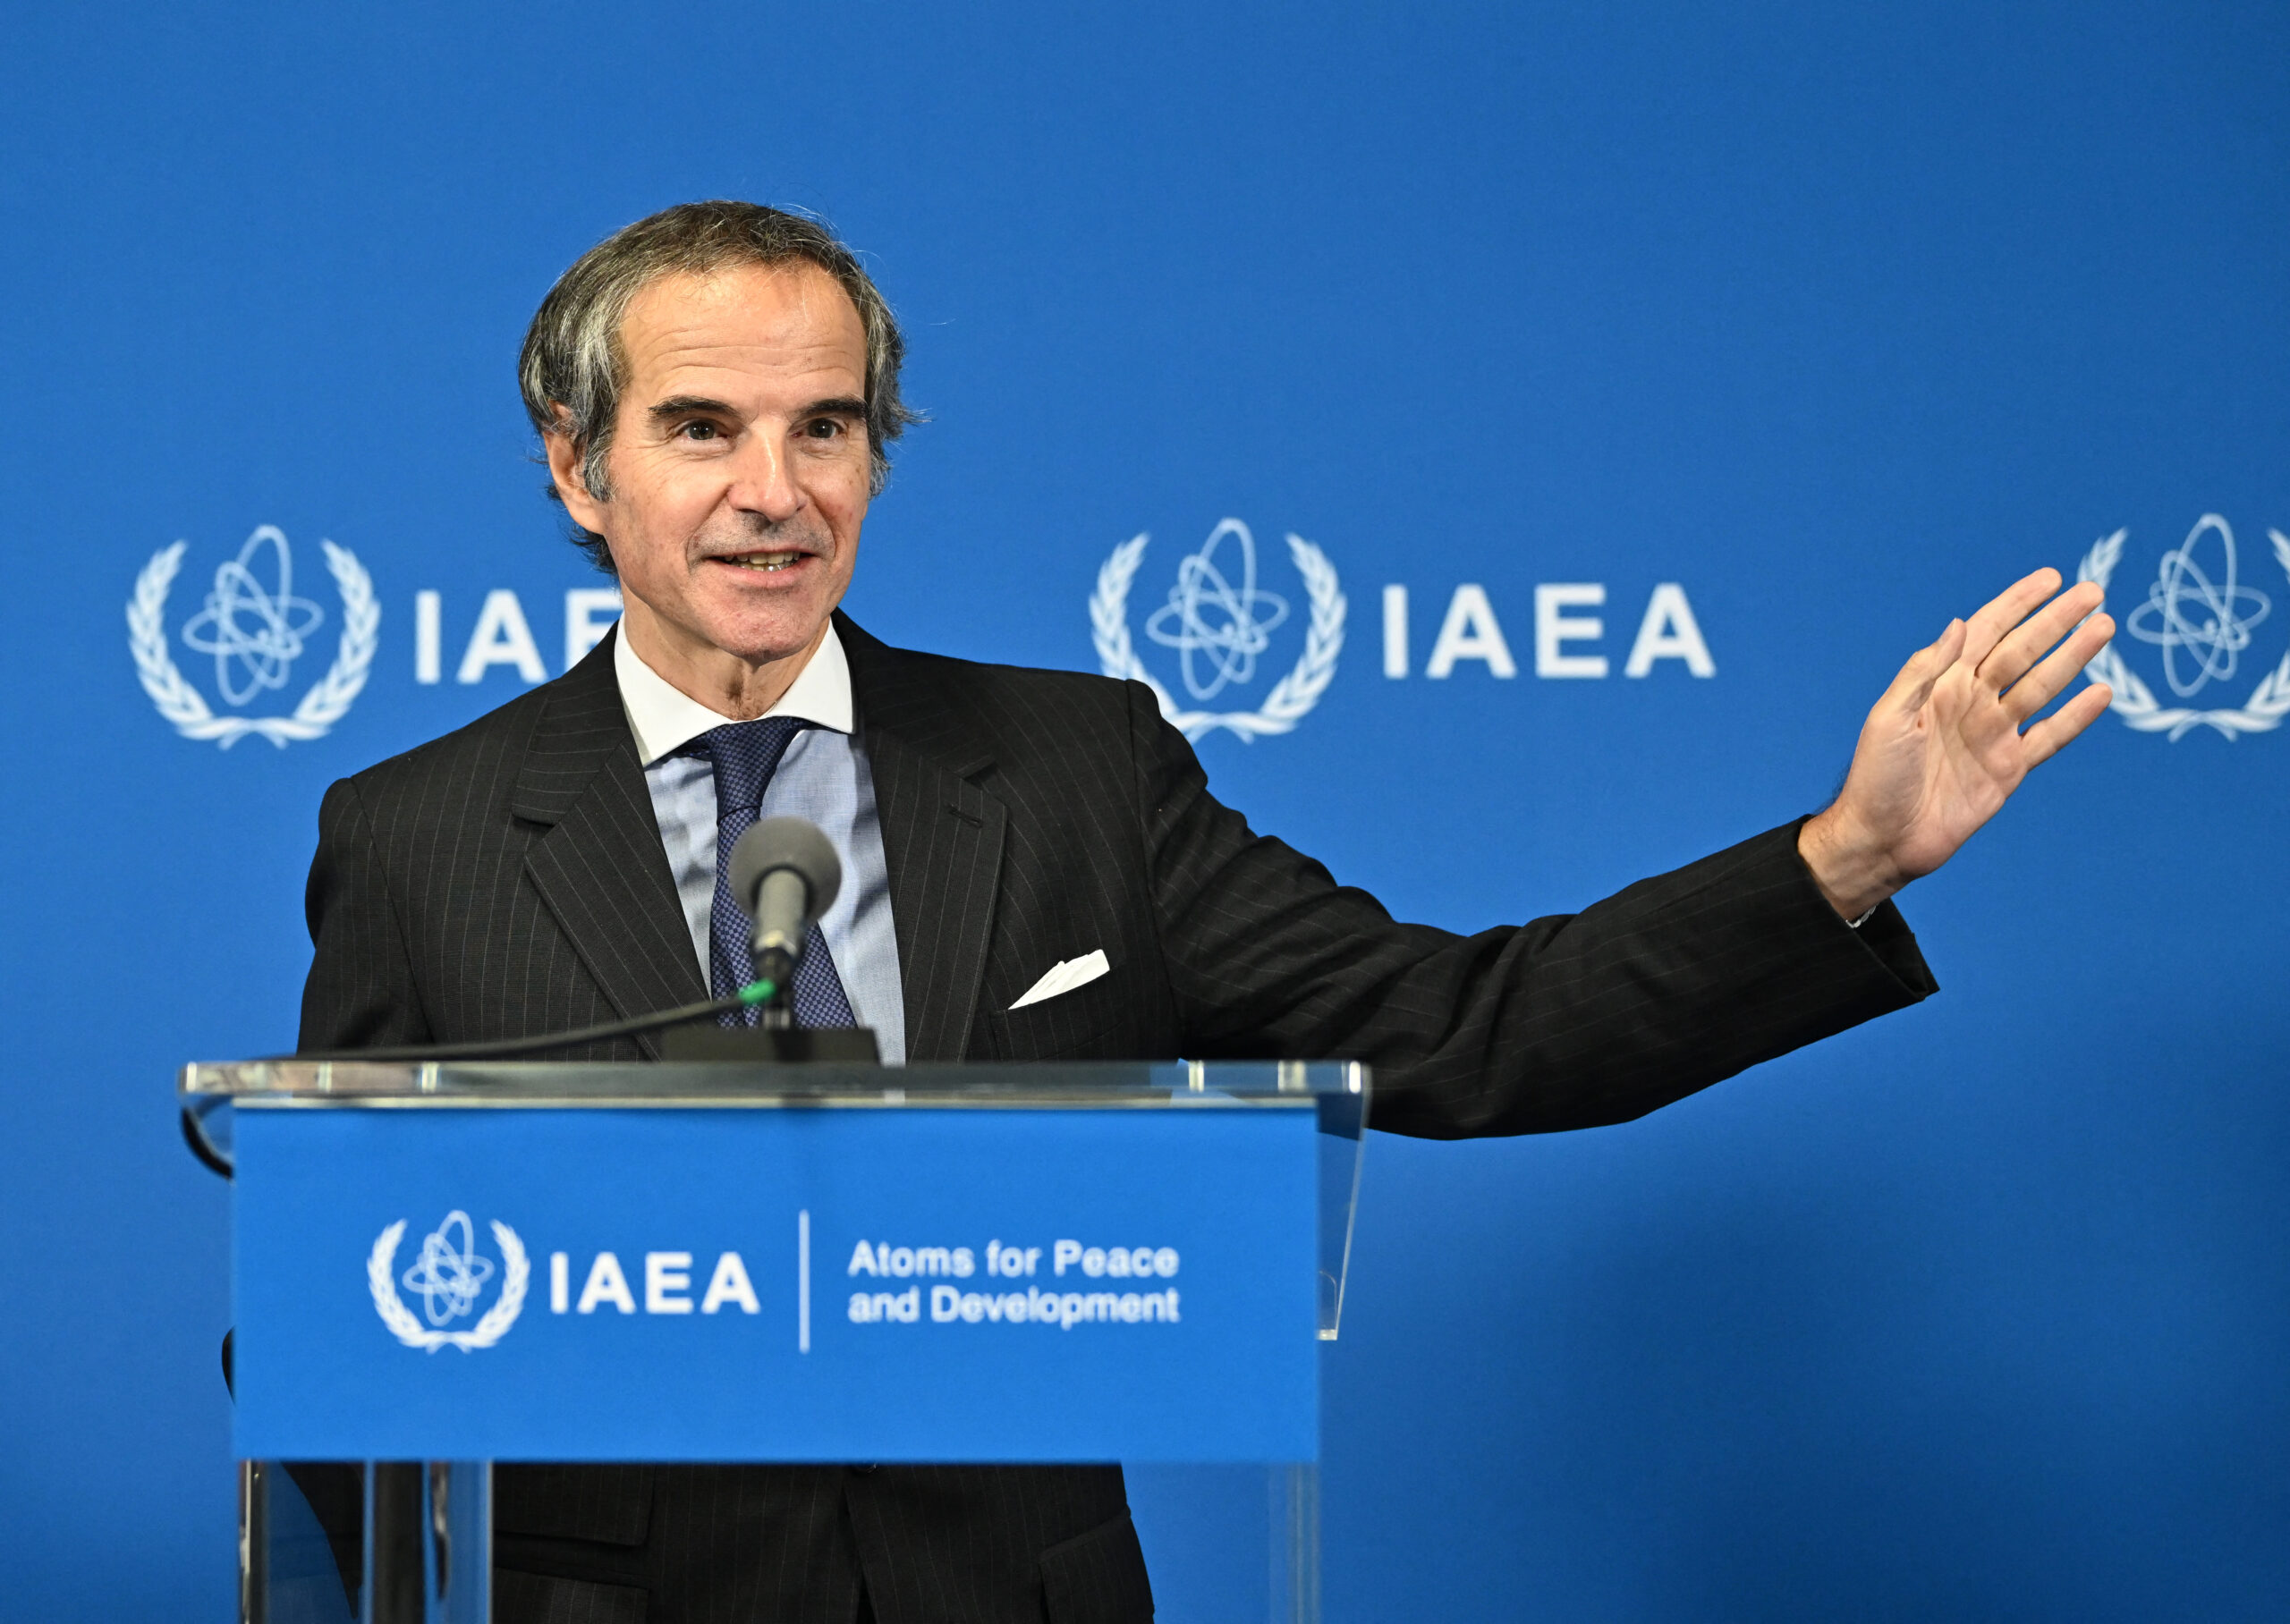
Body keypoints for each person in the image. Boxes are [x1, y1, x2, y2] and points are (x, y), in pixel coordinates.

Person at [297, 200, 2116, 1624]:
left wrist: (1840, 857)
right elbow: (319, 1317)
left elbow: (1467, 1027)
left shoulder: (1074, 765)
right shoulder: (420, 832)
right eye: (701, 427)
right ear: (577, 464)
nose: (772, 493)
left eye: (824, 426)